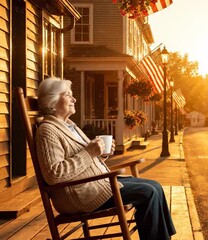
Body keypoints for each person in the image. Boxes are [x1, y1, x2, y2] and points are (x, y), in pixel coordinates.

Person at [35, 77, 175, 239]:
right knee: (148, 192)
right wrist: (90, 152)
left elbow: (85, 160)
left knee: (155, 186)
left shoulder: (70, 126)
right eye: (68, 95)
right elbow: (54, 174)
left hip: (97, 183)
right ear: (52, 101)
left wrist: (101, 155)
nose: (74, 99)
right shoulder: (47, 131)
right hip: (80, 195)